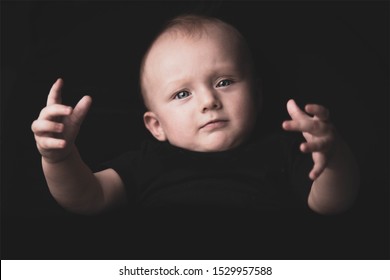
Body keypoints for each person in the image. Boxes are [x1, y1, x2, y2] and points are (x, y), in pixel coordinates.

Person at [31, 14, 359, 216]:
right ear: (156, 126)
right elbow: (89, 198)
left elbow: (330, 204)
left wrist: (333, 157)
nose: (208, 101)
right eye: (182, 94)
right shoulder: (147, 162)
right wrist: (59, 159)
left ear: (257, 95)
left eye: (224, 82)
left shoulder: (282, 152)